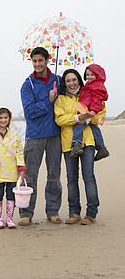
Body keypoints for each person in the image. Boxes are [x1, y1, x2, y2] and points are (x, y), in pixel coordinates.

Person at [54, 69, 106, 225]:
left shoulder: (89, 92)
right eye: (68, 80)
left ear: (79, 80)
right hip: (68, 143)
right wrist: (77, 118)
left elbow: (101, 114)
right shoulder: (60, 99)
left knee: (88, 177)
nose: (71, 83)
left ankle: (91, 213)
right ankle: (74, 213)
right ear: (64, 83)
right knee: (71, 179)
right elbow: (59, 120)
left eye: (74, 79)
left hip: (87, 141)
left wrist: (88, 119)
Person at [19, 46, 62, 226]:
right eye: (34, 61)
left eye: (40, 60)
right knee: (30, 177)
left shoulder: (57, 80)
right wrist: (48, 101)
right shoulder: (27, 84)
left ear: (47, 60)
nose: (37, 64)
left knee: (54, 175)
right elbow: (29, 112)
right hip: (34, 136)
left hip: (55, 135)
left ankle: (52, 211)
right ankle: (26, 213)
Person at [0, 107, 26, 229]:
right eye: (0, 118)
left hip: (12, 170)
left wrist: (21, 168)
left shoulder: (14, 135)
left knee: (10, 195)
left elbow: (19, 153)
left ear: (9, 119)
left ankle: (9, 219)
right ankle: (0, 220)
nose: (3, 120)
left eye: (5, 118)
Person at [70, 64, 110, 161]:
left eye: (92, 75)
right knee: (94, 128)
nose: (89, 77)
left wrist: (93, 110)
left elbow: (97, 99)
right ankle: (101, 147)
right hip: (88, 109)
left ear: (98, 75)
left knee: (79, 125)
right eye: (87, 75)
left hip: (90, 110)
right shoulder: (90, 84)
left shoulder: (97, 86)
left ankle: (77, 143)